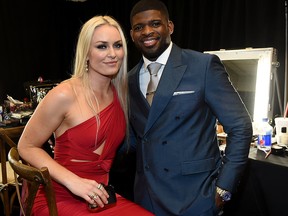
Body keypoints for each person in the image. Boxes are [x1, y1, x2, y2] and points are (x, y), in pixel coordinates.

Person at [17, 15, 154, 216]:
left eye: (117, 45)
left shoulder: (121, 95)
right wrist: (75, 183)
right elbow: (26, 146)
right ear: (86, 52)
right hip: (59, 197)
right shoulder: (64, 94)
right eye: (101, 46)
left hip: (100, 197)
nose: (112, 54)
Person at [127, 0, 253, 215]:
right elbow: (131, 140)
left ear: (170, 27)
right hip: (146, 198)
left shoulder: (202, 66)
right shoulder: (128, 79)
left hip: (195, 197)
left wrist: (224, 188)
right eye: (139, 27)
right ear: (132, 34)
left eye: (155, 23)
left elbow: (240, 127)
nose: (147, 31)